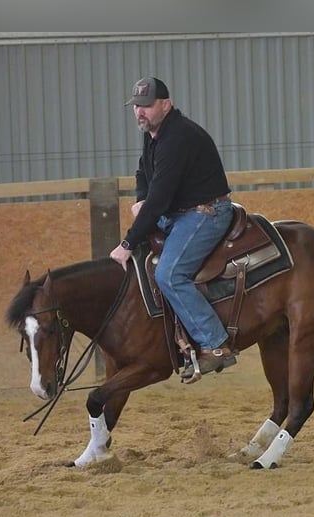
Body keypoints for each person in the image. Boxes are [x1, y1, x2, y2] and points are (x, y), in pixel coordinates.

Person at [109, 76, 236, 384]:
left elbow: (161, 197)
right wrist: (141, 200)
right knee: (147, 265)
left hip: (204, 212)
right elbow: (144, 172)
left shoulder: (177, 137)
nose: (140, 112)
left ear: (165, 105)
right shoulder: (153, 133)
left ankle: (215, 344)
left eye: (147, 106)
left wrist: (126, 243)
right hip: (177, 213)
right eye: (136, 106)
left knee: (170, 274)